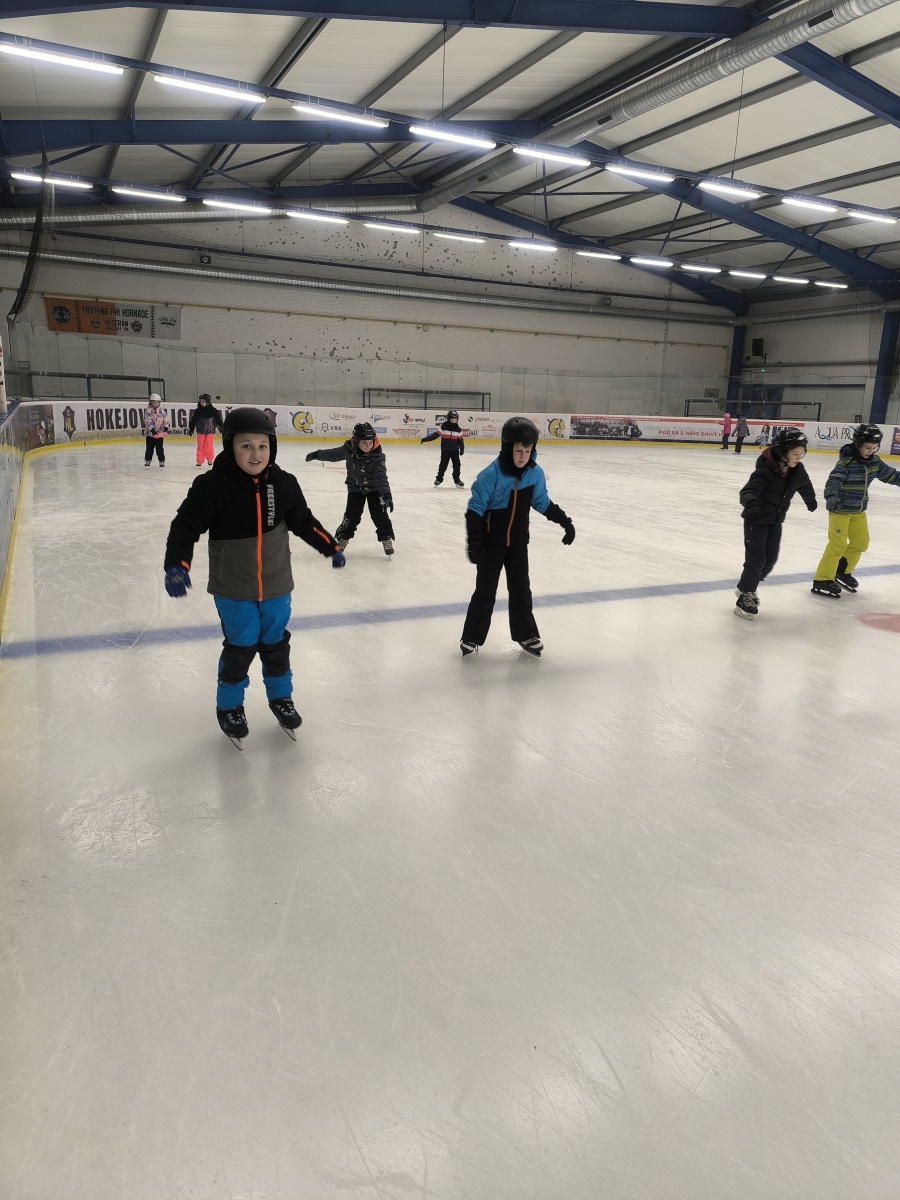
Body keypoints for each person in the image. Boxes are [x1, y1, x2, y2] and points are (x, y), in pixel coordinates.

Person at [163, 407, 346, 744]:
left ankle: (281, 698)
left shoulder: (284, 484)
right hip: (233, 586)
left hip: (276, 582)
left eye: (263, 446)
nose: (256, 454)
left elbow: (304, 523)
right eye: (246, 446)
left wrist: (330, 547)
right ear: (230, 446)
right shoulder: (212, 486)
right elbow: (185, 526)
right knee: (242, 644)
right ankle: (229, 706)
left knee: (276, 643)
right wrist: (177, 564)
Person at [460, 416, 575, 658]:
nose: (523, 456)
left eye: (527, 451)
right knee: (485, 591)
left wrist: (565, 522)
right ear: (507, 448)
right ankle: (471, 636)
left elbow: (542, 502)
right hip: (492, 544)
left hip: (518, 543)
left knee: (521, 590)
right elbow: (476, 509)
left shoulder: (534, 474)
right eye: (518, 450)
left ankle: (526, 634)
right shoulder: (490, 475)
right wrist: (474, 542)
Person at [734, 428, 817, 619]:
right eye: (795, 454)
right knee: (757, 560)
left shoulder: (797, 470)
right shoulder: (765, 471)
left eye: (801, 454)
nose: (798, 458)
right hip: (756, 521)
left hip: (776, 521)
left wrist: (810, 500)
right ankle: (746, 594)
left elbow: (805, 484)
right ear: (782, 452)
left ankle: (747, 587)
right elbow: (747, 491)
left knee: (770, 560)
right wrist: (752, 504)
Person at [811, 422, 900, 599]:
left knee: (861, 543)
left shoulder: (874, 462)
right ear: (858, 444)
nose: (870, 451)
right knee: (837, 545)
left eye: (874, 448)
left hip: (858, 511)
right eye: (867, 447)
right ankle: (822, 579)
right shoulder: (847, 463)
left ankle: (842, 571)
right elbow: (833, 481)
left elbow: (891, 475)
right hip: (839, 510)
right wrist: (831, 496)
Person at [305, 421, 395, 556]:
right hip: (355, 489)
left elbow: (381, 477)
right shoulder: (348, 450)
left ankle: (386, 538)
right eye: (364, 442)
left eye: (370, 442)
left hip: (374, 490)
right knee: (351, 516)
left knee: (379, 515)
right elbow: (333, 454)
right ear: (356, 442)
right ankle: (343, 539)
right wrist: (317, 454)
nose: (368, 445)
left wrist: (386, 495)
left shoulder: (377, 457)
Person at [421, 408, 465, 487]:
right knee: (443, 465)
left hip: (455, 451)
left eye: (455, 420)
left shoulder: (458, 430)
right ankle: (439, 479)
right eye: (452, 419)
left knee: (457, 466)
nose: (454, 421)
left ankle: (457, 480)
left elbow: (460, 440)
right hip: (445, 450)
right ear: (449, 419)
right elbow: (435, 435)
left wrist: (462, 449)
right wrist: (426, 439)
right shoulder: (443, 428)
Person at [188, 393, 223, 467]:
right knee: (200, 446)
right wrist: (191, 428)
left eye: (203, 401)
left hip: (210, 431)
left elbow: (218, 420)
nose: (202, 403)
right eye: (201, 401)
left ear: (208, 402)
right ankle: (199, 460)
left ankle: (210, 459)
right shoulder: (198, 410)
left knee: (209, 445)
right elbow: (194, 419)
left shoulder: (213, 410)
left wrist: (222, 428)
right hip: (200, 431)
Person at [143, 393, 168, 468]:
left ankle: (161, 460)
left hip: (159, 434)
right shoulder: (148, 411)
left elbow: (165, 420)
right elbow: (148, 421)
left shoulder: (162, 411)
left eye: (157, 402)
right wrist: (152, 431)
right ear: (150, 402)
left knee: (159, 448)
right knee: (149, 448)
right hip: (150, 434)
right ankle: (148, 460)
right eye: (154, 402)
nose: (155, 404)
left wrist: (166, 428)